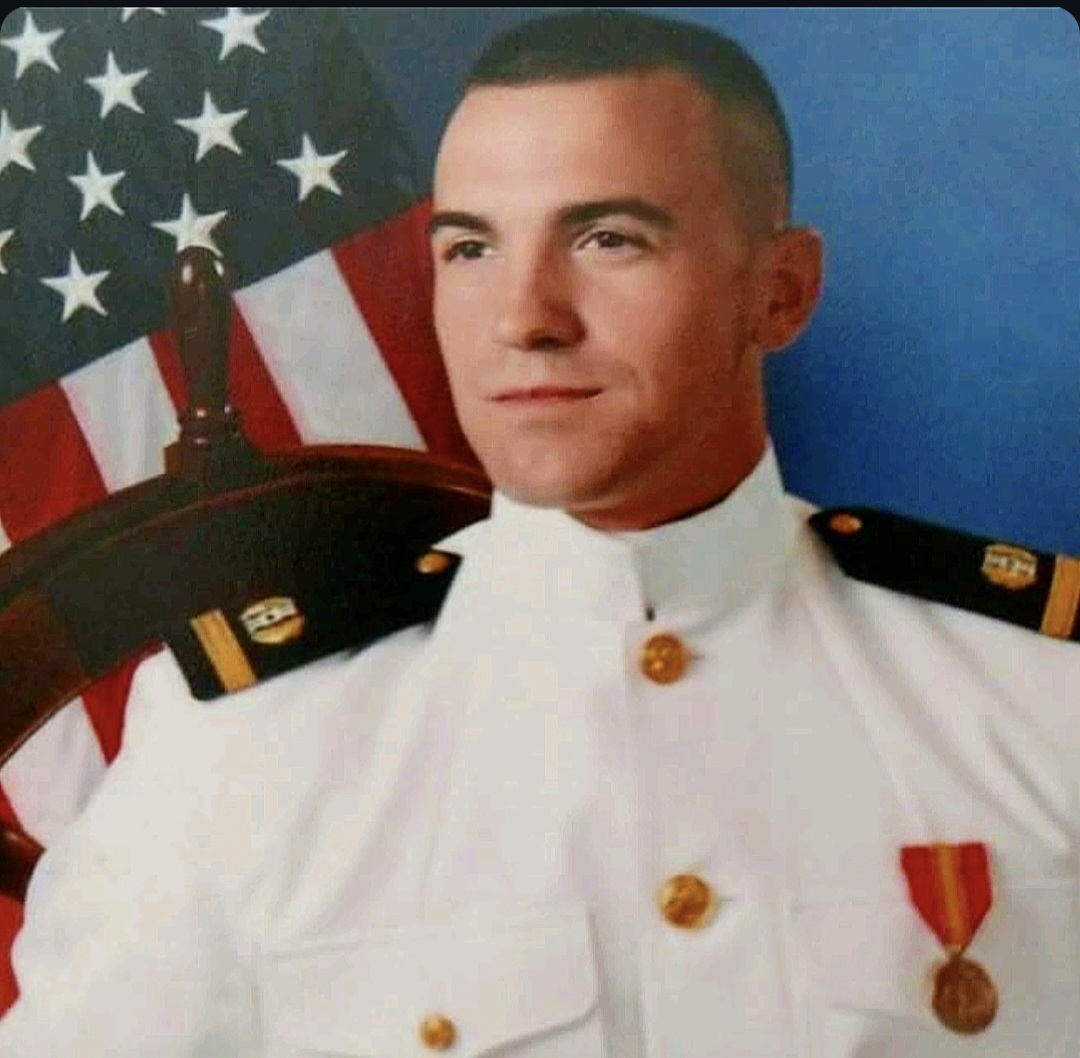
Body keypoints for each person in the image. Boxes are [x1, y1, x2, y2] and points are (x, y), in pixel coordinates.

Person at [1, 9, 1076, 1057]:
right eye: (470, 248)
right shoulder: (245, 741)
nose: (524, 316)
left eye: (608, 239)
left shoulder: (1040, 694)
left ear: (782, 292)